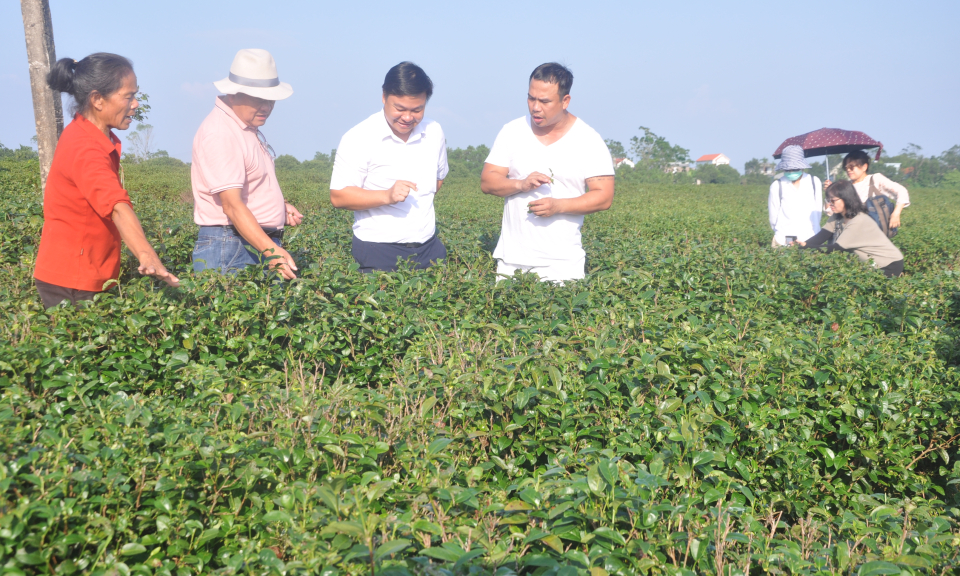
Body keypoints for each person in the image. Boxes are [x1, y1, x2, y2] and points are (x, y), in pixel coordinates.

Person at [33, 53, 179, 309]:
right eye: (128, 96)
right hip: (74, 281)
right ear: (97, 99)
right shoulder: (85, 147)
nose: (135, 104)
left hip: (88, 274)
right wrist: (147, 254)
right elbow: (116, 205)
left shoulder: (91, 137)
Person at [480, 63, 614, 283]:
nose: (535, 107)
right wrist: (520, 184)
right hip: (511, 262)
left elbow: (604, 196)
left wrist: (558, 206)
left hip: (562, 265)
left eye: (544, 101)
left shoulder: (588, 140)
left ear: (565, 101)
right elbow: (487, 182)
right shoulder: (512, 131)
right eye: (531, 98)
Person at [191, 49, 303, 279]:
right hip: (232, 245)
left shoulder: (242, 127)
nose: (267, 107)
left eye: (270, 100)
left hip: (246, 241)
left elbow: (245, 188)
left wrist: (277, 206)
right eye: (258, 99)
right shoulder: (221, 133)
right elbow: (231, 205)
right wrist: (272, 251)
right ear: (233, 94)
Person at [329, 62, 448, 273]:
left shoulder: (434, 132)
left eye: (417, 110)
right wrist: (387, 196)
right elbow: (339, 196)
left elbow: (438, 179)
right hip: (378, 252)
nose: (408, 117)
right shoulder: (359, 137)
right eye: (399, 108)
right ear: (384, 97)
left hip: (429, 249)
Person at [796, 180, 904, 277]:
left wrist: (806, 247)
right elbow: (821, 237)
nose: (830, 204)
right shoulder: (837, 216)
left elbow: (835, 248)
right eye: (828, 200)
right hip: (871, 264)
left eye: (833, 200)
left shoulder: (859, 220)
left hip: (888, 264)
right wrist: (800, 246)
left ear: (846, 199)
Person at [827, 150, 910, 232]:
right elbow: (832, 212)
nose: (848, 170)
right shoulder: (846, 186)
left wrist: (896, 214)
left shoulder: (875, 180)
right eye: (846, 168)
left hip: (874, 231)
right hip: (853, 232)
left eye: (851, 167)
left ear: (864, 167)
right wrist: (830, 193)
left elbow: (902, 191)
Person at [768, 145, 822, 247]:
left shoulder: (814, 182)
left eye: (794, 168)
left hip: (811, 238)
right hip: (784, 240)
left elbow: (818, 211)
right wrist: (780, 232)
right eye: (788, 169)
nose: (791, 171)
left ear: (801, 166)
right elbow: (773, 217)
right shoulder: (777, 186)